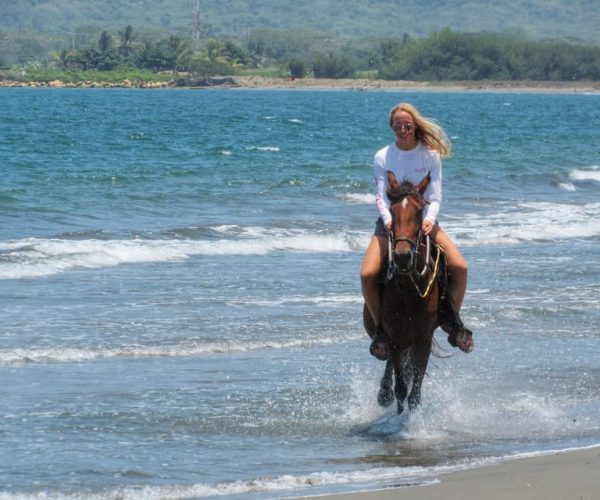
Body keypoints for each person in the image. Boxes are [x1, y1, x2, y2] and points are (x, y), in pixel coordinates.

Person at [360, 102, 473, 360]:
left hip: (423, 222)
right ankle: (380, 331)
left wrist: (429, 220)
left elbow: (435, 194)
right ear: (391, 127)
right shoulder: (382, 156)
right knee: (367, 274)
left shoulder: (430, 155)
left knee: (460, 267)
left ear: (414, 126)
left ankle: (452, 321)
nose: (403, 129)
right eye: (398, 125)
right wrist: (388, 220)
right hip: (390, 224)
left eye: (407, 125)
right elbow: (380, 196)